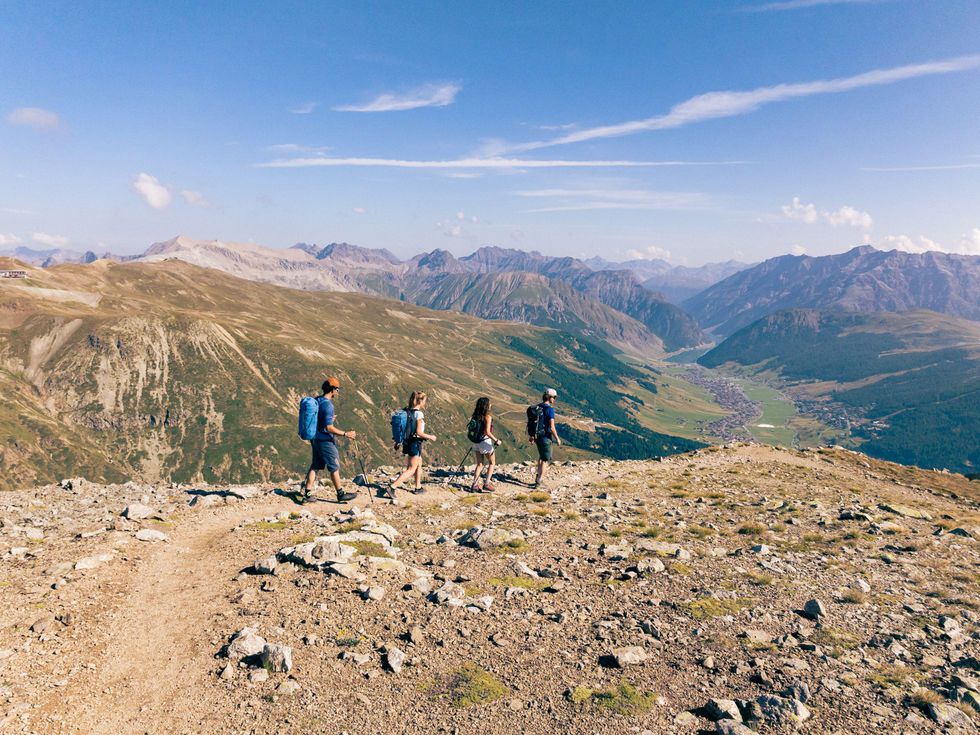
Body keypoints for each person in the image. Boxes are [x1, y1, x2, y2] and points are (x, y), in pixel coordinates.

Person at [303, 378, 358, 503]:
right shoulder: (328, 405)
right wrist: (346, 434)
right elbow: (329, 428)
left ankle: (307, 493)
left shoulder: (317, 400)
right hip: (325, 441)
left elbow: (317, 419)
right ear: (333, 389)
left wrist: (328, 419)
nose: (337, 392)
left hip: (315, 438)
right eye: (337, 389)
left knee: (315, 466)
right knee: (334, 466)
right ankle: (340, 494)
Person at [387, 391, 436, 496]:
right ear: (420, 401)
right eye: (424, 401)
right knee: (411, 469)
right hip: (415, 443)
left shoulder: (408, 411)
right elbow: (419, 432)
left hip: (408, 442)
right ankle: (392, 487)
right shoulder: (419, 414)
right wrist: (431, 437)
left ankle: (418, 487)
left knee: (419, 463)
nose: (425, 403)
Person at [469, 397, 501, 492]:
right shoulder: (487, 417)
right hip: (484, 442)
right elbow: (487, 432)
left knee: (479, 464)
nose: (490, 405)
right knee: (492, 462)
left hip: (475, 442)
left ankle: (474, 485)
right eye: (489, 404)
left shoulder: (475, 416)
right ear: (486, 406)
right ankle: (487, 483)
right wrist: (496, 440)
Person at [531, 388, 561, 488]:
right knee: (545, 460)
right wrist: (557, 438)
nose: (554, 399)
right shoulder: (550, 410)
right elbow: (552, 427)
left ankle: (537, 477)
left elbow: (533, 423)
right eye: (554, 397)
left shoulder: (537, 407)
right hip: (546, 438)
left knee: (541, 457)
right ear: (549, 397)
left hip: (537, 437)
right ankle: (539, 481)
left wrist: (532, 436)